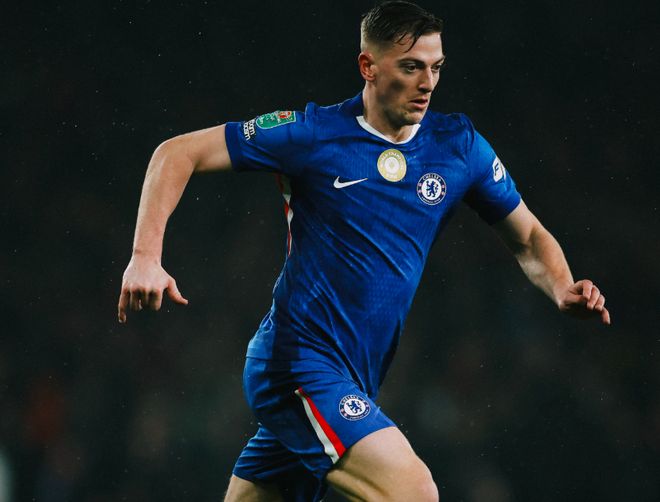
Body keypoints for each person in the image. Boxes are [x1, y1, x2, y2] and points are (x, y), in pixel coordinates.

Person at [117, 2, 610, 500]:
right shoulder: (312, 134)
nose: (428, 83)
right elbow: (176, 153)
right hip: (298, 365)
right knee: (413, 492)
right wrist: (145, 256)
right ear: (368, 66)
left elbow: (528, 236)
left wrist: (562, 286)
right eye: (411, 67)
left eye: (436, 67)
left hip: (354, 377)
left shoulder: (457, 146)